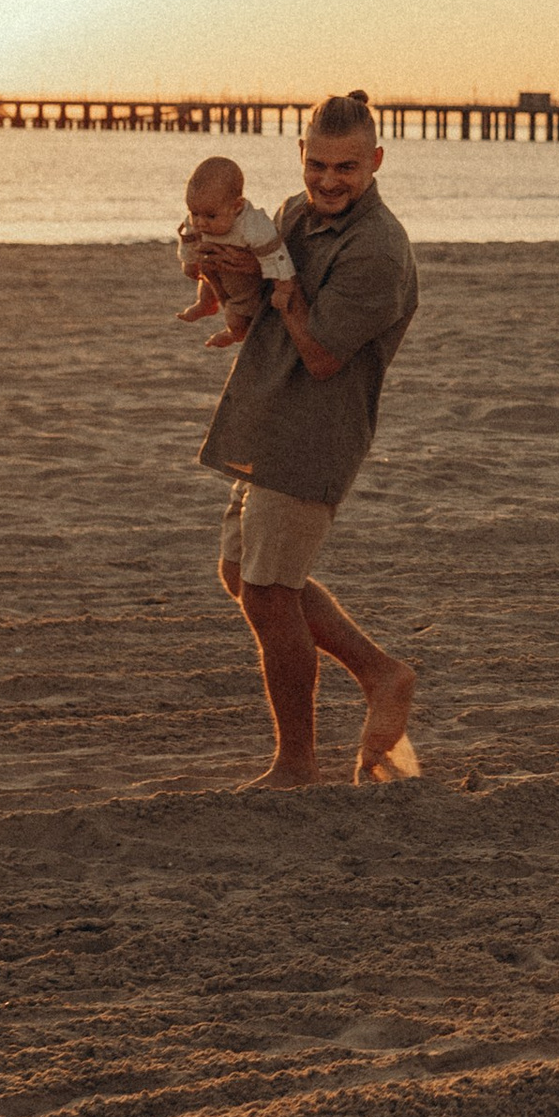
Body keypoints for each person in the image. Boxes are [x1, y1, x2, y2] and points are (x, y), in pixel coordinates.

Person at [195, 91, 420, 791]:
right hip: (267, 414)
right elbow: (261, 285)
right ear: (300, 158)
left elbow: (323, 356)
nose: (329, 181)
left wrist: (289, 302)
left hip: (315, 433)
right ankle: (380, 672)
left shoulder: (378, 249)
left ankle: (296, 764)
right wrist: (222, 270)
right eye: (317, 165)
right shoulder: (293, 215)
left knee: (267, 592)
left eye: (346, 167)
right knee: (244, 578)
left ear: (375, 161)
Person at [175, 153, 296, 347]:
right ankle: (206, 304)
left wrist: (283, 287)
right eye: (194, 213)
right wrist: (189, 261)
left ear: (237, 206)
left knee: (235, 317)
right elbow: (188, 236)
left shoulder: (253, 226)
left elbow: (275, 254)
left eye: (210, 216)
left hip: (245, 289)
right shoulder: (202, 216)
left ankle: (233, 334)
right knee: (205, 274)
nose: (200, 222)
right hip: (215, 269)